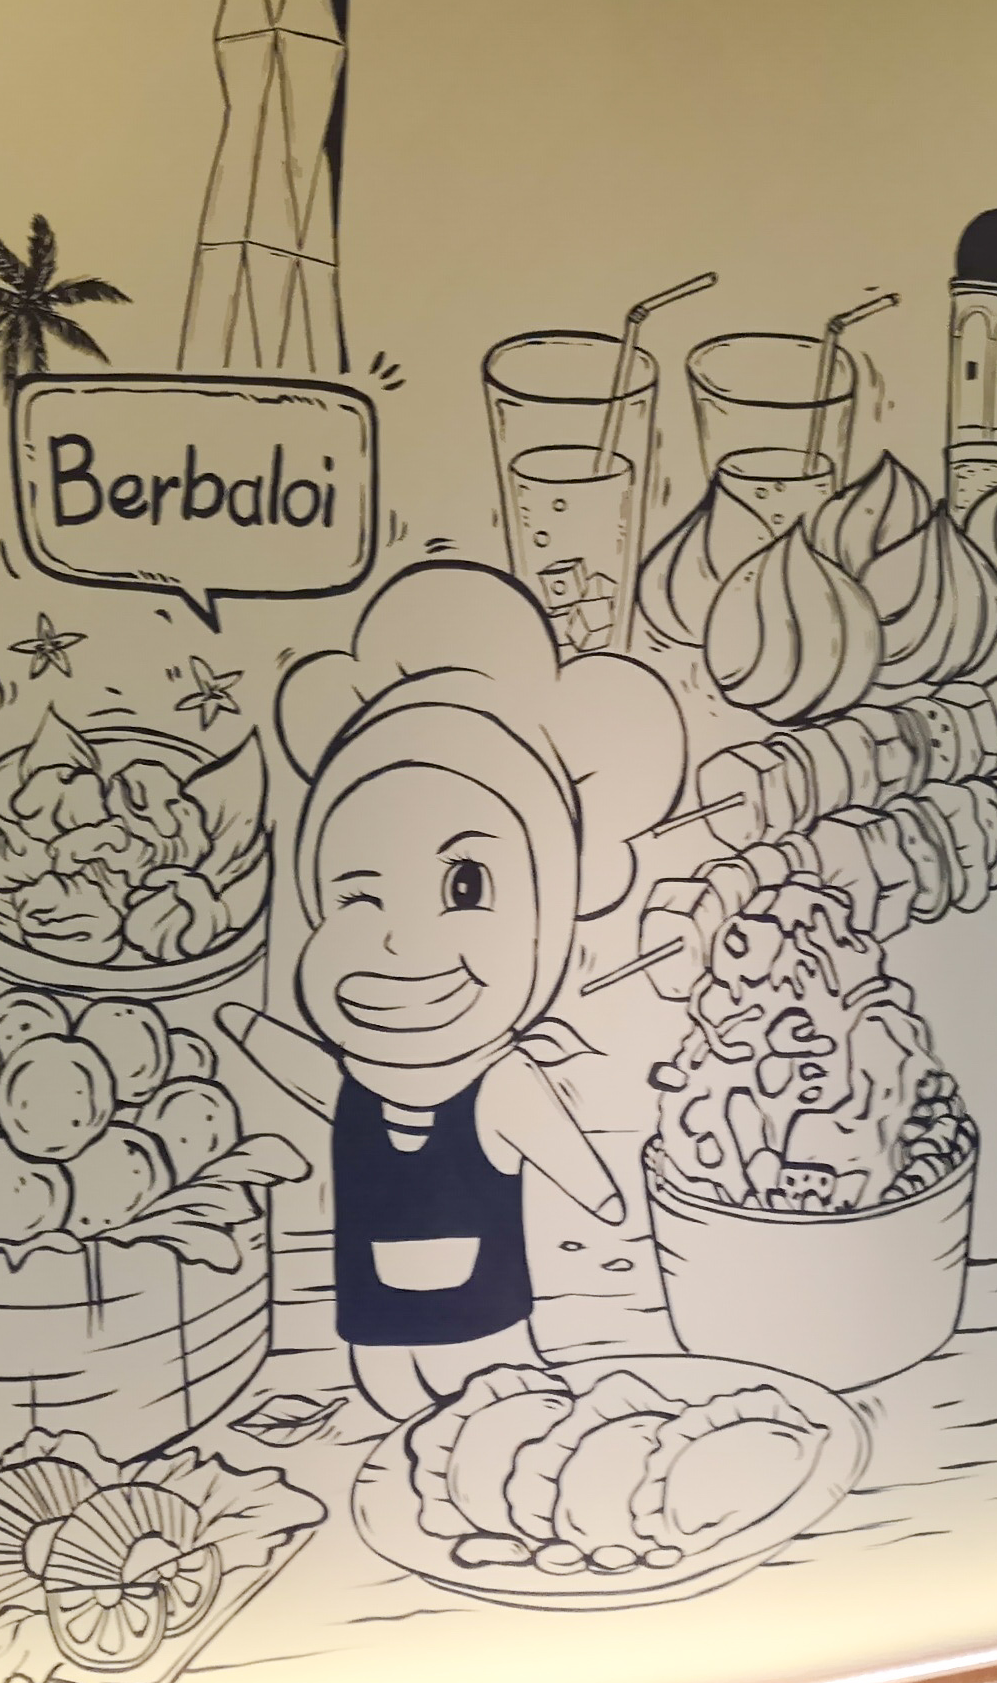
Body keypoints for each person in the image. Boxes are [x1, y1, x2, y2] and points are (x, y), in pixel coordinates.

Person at [221, 560, 687, 1423]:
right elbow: (298, 1069)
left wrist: (602, 1195)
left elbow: (563, 1151)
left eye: (464, 886)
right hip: (377, 1333)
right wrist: (249, 1032)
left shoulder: (501, 1084)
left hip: (489, 1330)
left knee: (502, 1422)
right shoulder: (354, 1086)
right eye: (356, 897)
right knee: (402, 1428)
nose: (400, 941)